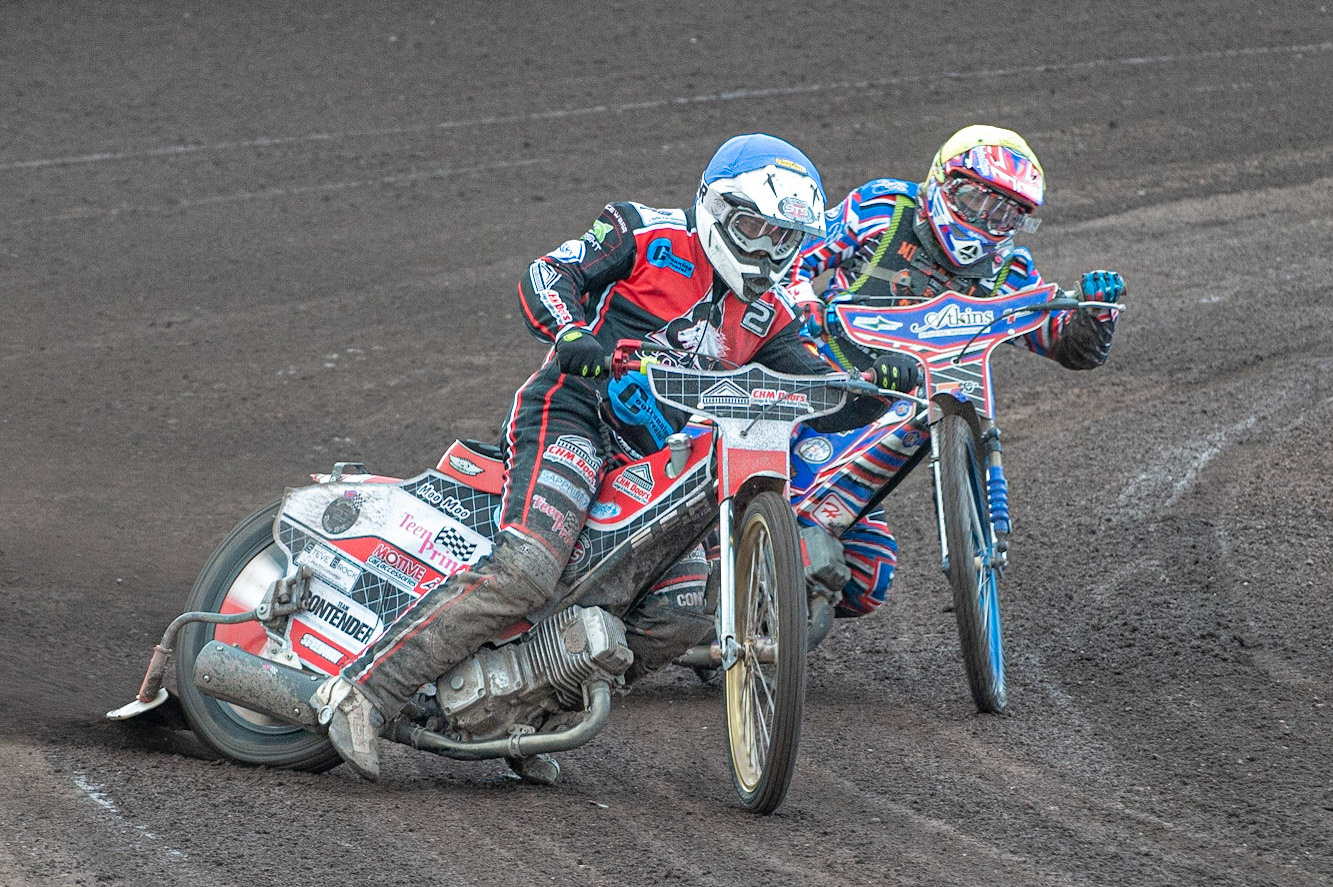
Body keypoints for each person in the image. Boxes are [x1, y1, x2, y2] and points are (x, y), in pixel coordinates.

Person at [310, 133, 920, 780]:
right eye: (753, 228)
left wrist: (876, 386)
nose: (768, 251)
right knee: (528, 568)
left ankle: (528, 718)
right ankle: (360, 691)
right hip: (577, 415)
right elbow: (548, 274)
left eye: (783, 240)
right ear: (715, 207)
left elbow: (818, 397)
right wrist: (572, 332)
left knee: (680, 613)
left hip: (657, 461)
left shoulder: (765, 315)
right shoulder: (647, 233)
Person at [786, 124, 1125, 619]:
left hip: (900, 415)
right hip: (816, 385)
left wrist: (1096, 316)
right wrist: (806, 311)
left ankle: (771, 619)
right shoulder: (884, 207)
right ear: (942, 182)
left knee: (866, 577)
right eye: (975, 200)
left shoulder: (1009, 272)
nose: (986, 220)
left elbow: (1067, 346)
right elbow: (792, 261)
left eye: (1005, 212)